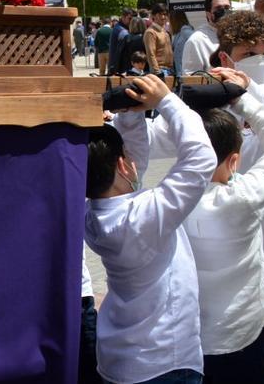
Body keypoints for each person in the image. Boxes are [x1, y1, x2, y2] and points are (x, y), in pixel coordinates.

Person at [148, 11, 264, 382]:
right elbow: (153, 141)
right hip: (229, 256)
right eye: (251, 52)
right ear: (226, 57)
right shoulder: (208, 110)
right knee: (234, 356)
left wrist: (248, 95)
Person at [86, 74, 216, 384]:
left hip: (120, 359)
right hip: (162, 363)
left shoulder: (92, 215)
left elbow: (133, 170)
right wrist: (167, 102)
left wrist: (129, 116)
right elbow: (200, 158)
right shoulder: (145, 216)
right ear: (122, 165)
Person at [181, 74, 264, 382]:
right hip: (241, 332)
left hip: (185, 339)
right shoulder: (243, 196)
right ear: (234, 160)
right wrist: (242, 100)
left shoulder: (166, 201)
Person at [182, 0, 232, 75]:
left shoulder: (237, 36)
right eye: (218, 8)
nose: (224, 11)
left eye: (227, 7)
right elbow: (190, 76)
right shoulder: (197, 40)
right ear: (208, 14)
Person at [144, 4, 174, 75]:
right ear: (153, 16)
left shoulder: (165, 31)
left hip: (170, 70)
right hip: (160, 70)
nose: (163, 17)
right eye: (160, 14)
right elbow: (151, 54)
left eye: (165, 14)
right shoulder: (150, 32)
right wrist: (157, 72)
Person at [108, 9, 134, 75]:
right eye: (129, 18)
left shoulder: (120, 28)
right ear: (123, 17)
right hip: (120, 68)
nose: (131, 21)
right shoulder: (122, 31)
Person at [171, 10, 195, 77]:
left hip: (185, 73)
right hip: (182, 72)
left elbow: (179, 54)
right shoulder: (179, 34)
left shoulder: (186, 33)